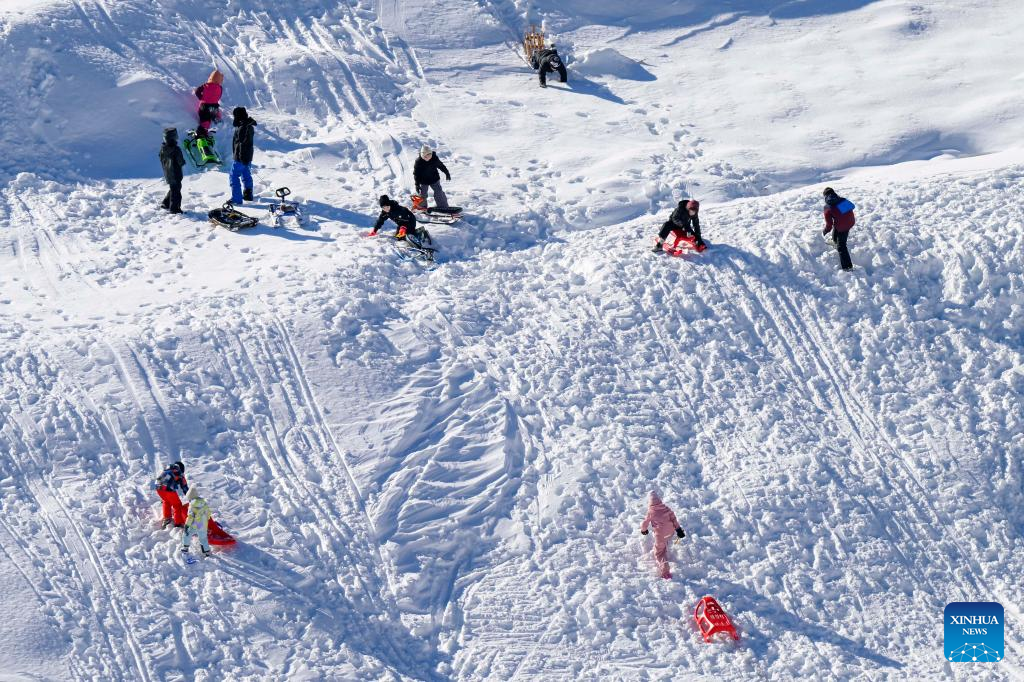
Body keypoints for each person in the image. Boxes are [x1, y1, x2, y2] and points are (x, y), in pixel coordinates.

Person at [640, 491, 685, 579]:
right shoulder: (667, 509)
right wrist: (679, 530)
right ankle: (665, 544)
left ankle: (665, 568)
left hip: (660, 536)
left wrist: (644, 530)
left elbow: (645, 522)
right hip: (670, 532)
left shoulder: (650, 511)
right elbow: (674, 519)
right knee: (665, 540)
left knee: (659, 552)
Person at [822, 187, 855, 271]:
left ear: (825, 196)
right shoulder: (842, 200)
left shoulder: (827, 208)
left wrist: (825, 231)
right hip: (850, 222)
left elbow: (829, 224)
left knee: (842, 246)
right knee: (836, 232)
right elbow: (852, 206)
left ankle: (847, 267)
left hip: (842, 227)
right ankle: (834, 241)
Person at [230, 107, 257, 204]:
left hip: (240, 157)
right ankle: (248, 194)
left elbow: (242, 143)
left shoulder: (243, 126)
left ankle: (236, 199)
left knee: (233, 176)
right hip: (247, 156)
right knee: (246, 174)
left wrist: (241, 157)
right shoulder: (248, 125)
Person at [413, 145, 451, 210]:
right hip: (423, 181)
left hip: (434, 179)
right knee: (423, 194)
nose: (427, 158)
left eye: (429, 155)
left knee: (439, 192)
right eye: (425, 156)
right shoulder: (418, 161)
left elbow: (441, 166)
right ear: (422, 155)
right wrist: (417, 184)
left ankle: (443, 206)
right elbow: (416, 174)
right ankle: (422, 207)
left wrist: (447, 173)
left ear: (431, 154)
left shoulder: (434, 158)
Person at [159, 128, 185, 214]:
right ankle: (175, 209)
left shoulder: (162, 148)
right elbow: (181, 162)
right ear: (173, 138)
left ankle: (165, 203)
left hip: (168, 173)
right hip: (176, 174)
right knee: (176, 191)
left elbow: (161, 158)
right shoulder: (176, 149)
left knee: (173, 188)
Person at [155, 461, 189, 528]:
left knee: (166, 501)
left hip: (158, 486)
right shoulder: (180, 473)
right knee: (177, 505)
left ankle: (167, 519)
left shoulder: (167, 469)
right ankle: (178, 523)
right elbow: (184, 486)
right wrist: (190, 496)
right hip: (168, 488)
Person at [181, 487, 213, 558]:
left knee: (187, 533)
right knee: (203, 538)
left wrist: (186, 525)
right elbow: (208, 513)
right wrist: (205, 520)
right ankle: (206, 551)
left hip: (196, 523)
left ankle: (185, 548)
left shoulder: (192, 505)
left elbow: (190, 517)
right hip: (203, 524)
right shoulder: (203, 503)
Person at [194, 70, 224, 134]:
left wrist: (201, 98)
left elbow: (197, 91)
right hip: (214, 106)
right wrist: (215, 100)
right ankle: (217, 118)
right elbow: (219, 96)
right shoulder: (220, 88)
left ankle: (204, 129)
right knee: (215, 112)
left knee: (205, 118)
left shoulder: (205, 85)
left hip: (204, 107)